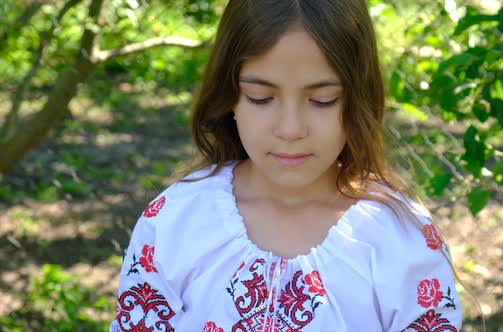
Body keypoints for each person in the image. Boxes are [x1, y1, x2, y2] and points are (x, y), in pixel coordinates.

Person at [110, 0, 462, 331]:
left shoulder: (401, 239)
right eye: (261, 98)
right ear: (228, 95)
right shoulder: (176, 221)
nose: (291, 129)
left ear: (358, 98)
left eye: (323, 100)